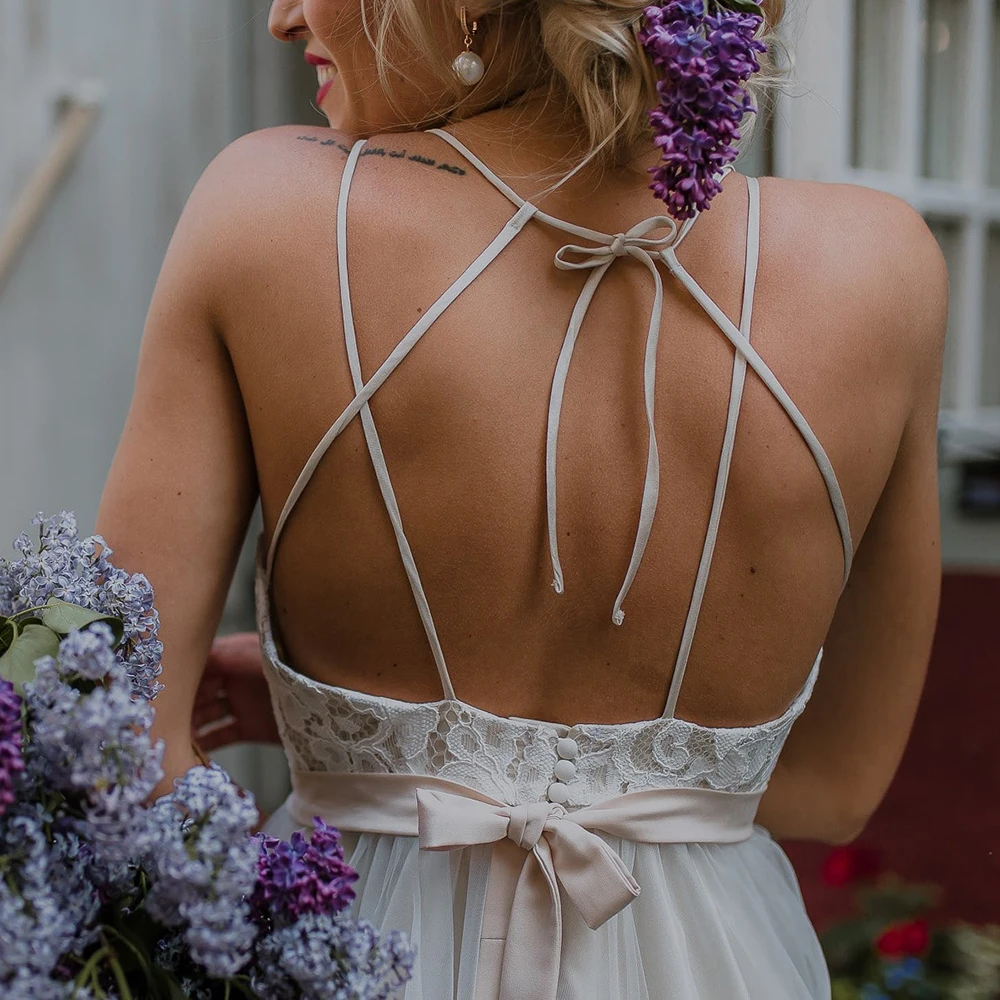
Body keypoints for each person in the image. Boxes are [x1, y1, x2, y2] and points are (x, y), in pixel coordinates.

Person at [96, 0, 947, 995]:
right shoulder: (884, 272)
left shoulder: (273, 210)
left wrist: (371, 751)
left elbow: (115, 744)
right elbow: (833, 790)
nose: (285, 17)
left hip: (348, 955)